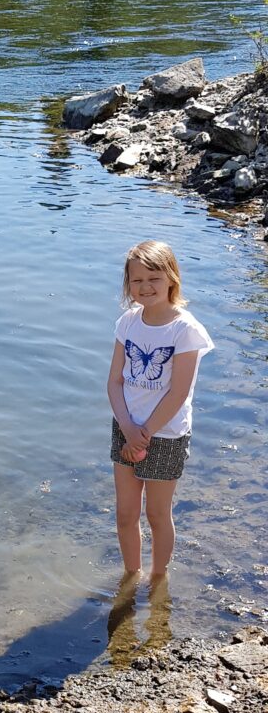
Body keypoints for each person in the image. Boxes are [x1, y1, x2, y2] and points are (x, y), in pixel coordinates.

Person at [107, 240, 213, 579]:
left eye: (153, 278)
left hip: (165, 433)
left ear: (171, 278)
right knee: (125, 513)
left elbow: (178, 393)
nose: (145, 286)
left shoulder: (185, 330)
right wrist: (127, 426)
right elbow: (114, 382)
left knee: (156, 514)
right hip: (125, 427)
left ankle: (157, 580)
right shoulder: (128, 322)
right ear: (128, 285)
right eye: (136, 280)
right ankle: (131, 576)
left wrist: (144, 434)